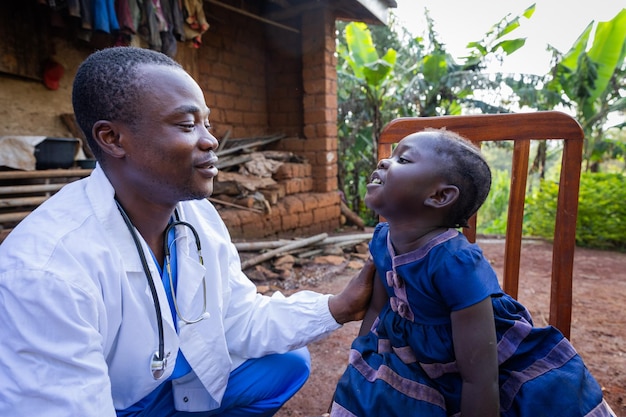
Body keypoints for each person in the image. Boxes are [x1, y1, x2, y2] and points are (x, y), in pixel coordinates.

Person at [0, 46, 375, 417]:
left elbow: (240, 318)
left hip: (163, 391)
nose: (210, 140)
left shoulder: (196, 215)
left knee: (287, 364)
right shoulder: (44, 271)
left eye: (206, 124)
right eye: (185, 125)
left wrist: (339, 307)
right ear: (112, 138)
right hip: (110, 404)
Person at [329, 129, 616, 417]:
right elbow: (379, 307)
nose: (383, 161)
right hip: (409, 354)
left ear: (439, 196)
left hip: (478, 361)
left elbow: (480, 377)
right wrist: (361, 361)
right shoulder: (382, 239)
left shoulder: (455, 261)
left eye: (402, 159)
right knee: (367, 393)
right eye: (390, 155)